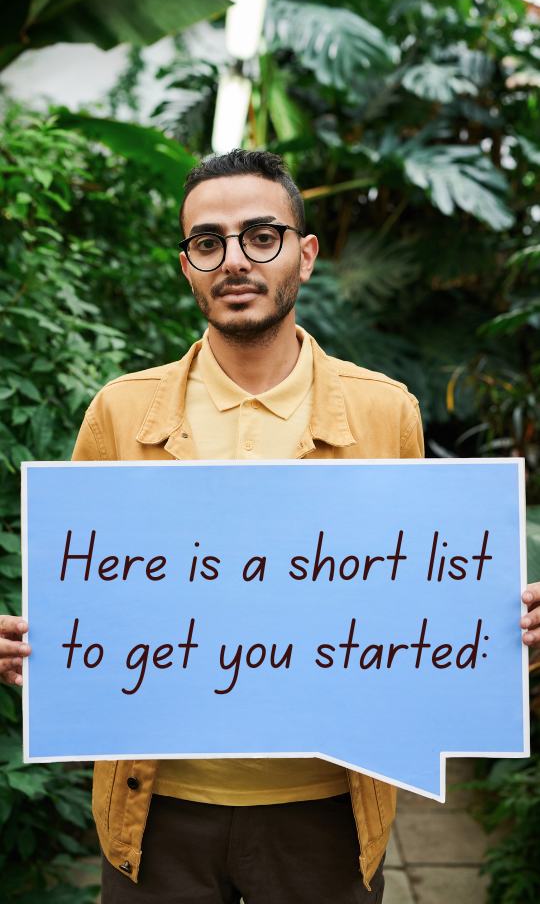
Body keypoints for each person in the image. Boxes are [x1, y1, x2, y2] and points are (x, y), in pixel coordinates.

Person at [1, 149, 538, 904]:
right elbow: (81, 594)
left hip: (324, 811)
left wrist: (503, 630)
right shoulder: (121, 413)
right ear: (187, 265)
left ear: (304, 254)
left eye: (261, 236)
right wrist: (28, 640)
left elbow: (414, 595)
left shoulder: (385, 412)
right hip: (156, 815)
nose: (234, 261)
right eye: (207, 243)